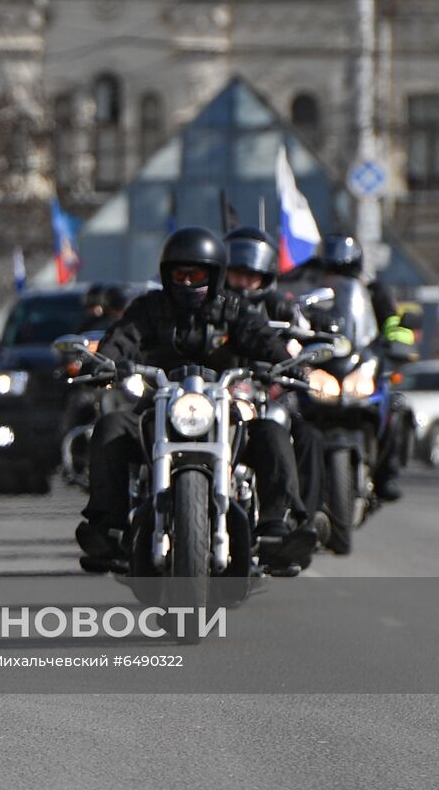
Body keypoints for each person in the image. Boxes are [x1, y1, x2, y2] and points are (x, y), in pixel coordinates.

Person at [75, 226, 317, 574]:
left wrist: (285, 365)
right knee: (112, 425)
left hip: (223, 410)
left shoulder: (233, 310)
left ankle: (277, 528)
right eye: (180, 274)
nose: (188, 283)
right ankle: (108, 527)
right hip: (158, 407)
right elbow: (123, 337)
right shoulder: (149, 309)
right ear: (167, 274)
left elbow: (262, 338)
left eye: (197, 274)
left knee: (271, 431)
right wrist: (104, 363)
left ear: (215, 275)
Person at [290, 234, 415, 501]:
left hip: (358, 361)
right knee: (287, 408)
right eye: (332, 270)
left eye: (344, 271)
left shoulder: (374, 292)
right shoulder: (309, 292)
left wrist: (395, 344)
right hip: (321, 365)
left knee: (395, 405)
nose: (337, 277)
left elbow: (393, 325)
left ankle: (387, 475)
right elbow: (294, 326)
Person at [223, 225, 328, 534]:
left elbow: (305, 332)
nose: (242, 282)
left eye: (250, 274)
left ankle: (301, 521)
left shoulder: (281, 305)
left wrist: (300, 352)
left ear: (266, 275)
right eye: (236, 273)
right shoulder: (213, 305)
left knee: (307, 436)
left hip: (269, 392)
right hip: (220, 394)